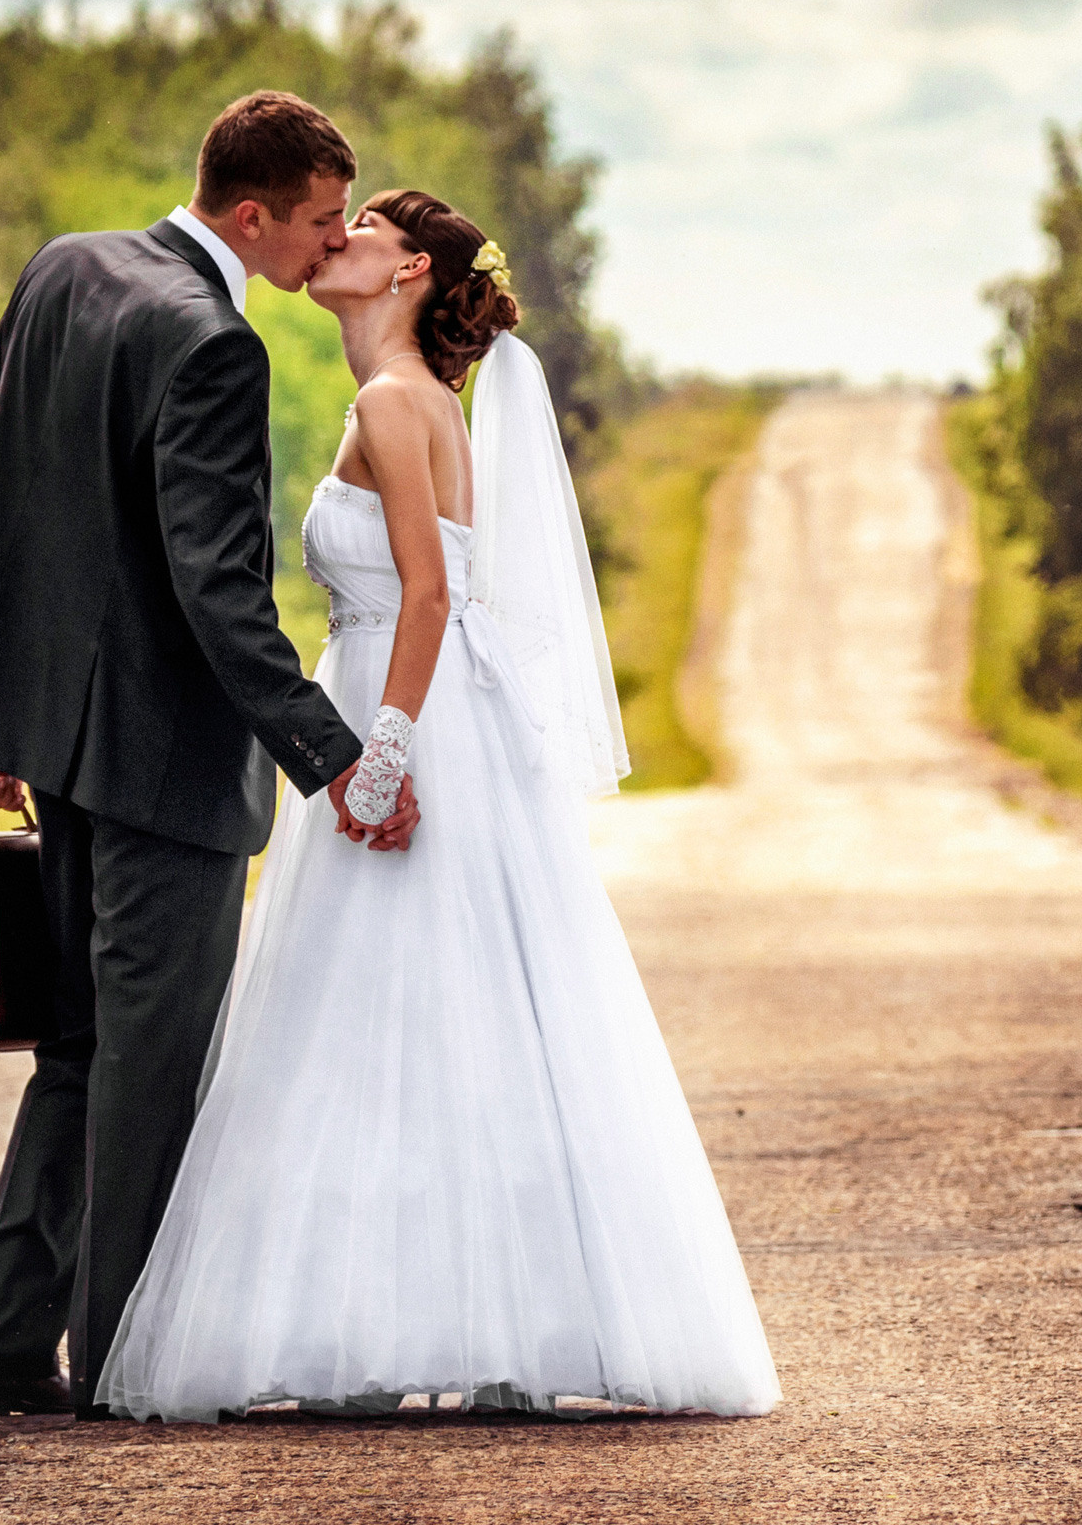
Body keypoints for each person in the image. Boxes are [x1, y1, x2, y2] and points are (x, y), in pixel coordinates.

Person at [93, 191, 781, 1422]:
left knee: (379, 1013)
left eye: (355, 227)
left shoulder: (392, 401)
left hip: (401, 705)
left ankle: (376, 1322)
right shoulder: (416, 400)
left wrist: (379, 757)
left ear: (408, 268)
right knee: (436, 1009)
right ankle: (483, 1317)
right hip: (404, 702)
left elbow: (424, 598)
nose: (333, 239)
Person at [0, 91, 419, 1421]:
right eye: (315, 223)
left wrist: (7, 721)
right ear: (252, 215)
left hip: (66, 750)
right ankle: (125, 1360)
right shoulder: (211, 343)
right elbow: (219, 593)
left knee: (76, 1052)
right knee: (146, 1065)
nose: (325, 245)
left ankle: (5, 1349)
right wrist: (335, 757)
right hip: (162, 775)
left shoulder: (65, 269)